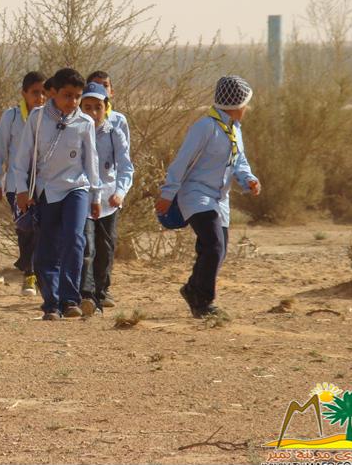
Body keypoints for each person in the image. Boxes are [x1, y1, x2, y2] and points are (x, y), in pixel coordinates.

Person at [155, 75, 261, 318]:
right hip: (196, 194)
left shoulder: (234, 129)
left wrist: (249, 180)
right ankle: (203, 302)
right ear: (237, 105)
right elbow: (182, 161)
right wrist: (168, 193)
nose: (247, 109)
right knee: (213, 245)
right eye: (245, 104)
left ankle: (193, 289)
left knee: (217, 250)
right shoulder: (205, 127)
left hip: (219, 199)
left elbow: (239, 162)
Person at [11, 68, 100, 320]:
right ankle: (51, 304)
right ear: (54, 93)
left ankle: (70, 300)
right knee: (47, 247)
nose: (73, 101)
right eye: (67, 95)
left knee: (74, 239)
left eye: (77, 96)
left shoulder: (84, 122)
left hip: (76, 188)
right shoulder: (38, 118)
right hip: (47, 191)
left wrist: (95, 196)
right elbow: (23, 157)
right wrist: (21, 190)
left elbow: (91, 161)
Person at [78, 82, 134, 316]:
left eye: (98, 107)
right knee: (87, 248)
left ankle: (101, 293)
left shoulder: (114, 133)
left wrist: (120, 192)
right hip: (83, 199)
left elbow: (126, 167)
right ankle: (86, 295)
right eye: (87, 107)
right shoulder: (75, 132)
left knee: (106, 248)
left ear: (106, 107)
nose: (93, 112)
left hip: (108, 202)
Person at [0, 71, 46, 296]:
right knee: (25, 227)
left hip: (43, 184)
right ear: (24, 93)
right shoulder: (11, 117)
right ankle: (28, 268)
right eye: (35, 93)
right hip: (16, 184)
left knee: (43, 228)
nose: (40, 98)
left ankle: (34, 274)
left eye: (44, 93)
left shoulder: (51, 118)